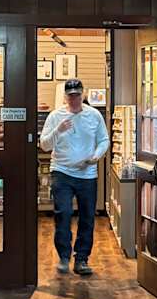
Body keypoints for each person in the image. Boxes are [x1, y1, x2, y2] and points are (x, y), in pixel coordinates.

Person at [40, 78, 110, 276]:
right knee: (63, 213)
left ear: (83, 94)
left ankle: (81, 259)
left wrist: (96, 156)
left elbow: (104, 140)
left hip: (87, 174)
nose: (74, 99)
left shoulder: (94, 115)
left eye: (77, 95)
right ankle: (64, 256)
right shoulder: (55, 116)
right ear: (65, 96)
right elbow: (44, 145)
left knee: (87, 217)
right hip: (61, 171)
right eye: (70, 96)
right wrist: (58, 130)